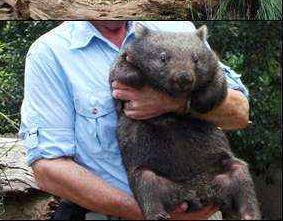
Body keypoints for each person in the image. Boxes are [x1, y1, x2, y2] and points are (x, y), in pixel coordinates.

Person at [19, 21, 250, 220]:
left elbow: (240, 111)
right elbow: (48, 169)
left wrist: (175, 103)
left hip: (201, 203)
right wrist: (151, 212)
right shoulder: (51, 52)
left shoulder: (180, 30)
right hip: (111, 213)